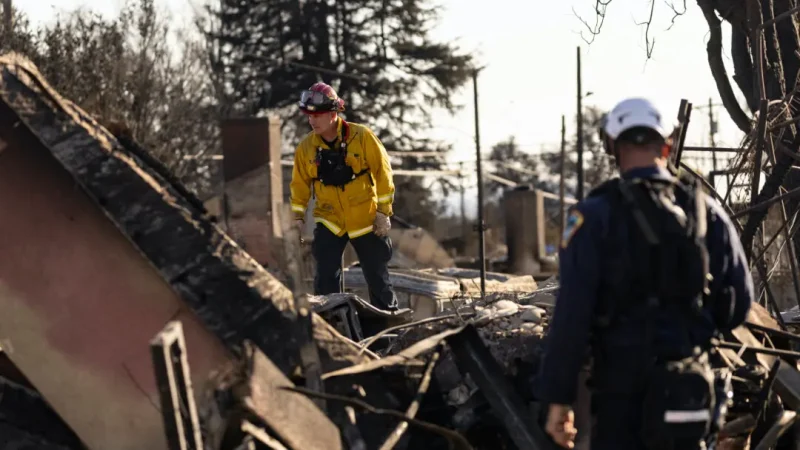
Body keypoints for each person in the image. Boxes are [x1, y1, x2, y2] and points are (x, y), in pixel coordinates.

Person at [535, 97, 753, 450]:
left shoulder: (592, 217)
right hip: (690, 394)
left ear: (612, 147)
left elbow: (571, 318)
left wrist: (557, 400)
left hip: (622, 400)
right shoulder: (706, 211)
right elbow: (738, 307)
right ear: (667, 145)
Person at [290, 81, 398, 317]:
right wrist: (296, 219)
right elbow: (299, 186)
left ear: (333, 113)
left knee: (377, 278)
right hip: (330, 219)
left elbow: (383, 173)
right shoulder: (306, 148)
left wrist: (383, 212)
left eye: (317, 115)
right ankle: (331, 328)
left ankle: (389, 331)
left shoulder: (362, 137)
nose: (312, 120)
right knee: (325, 278)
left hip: (366, 219)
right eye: (309, 115)